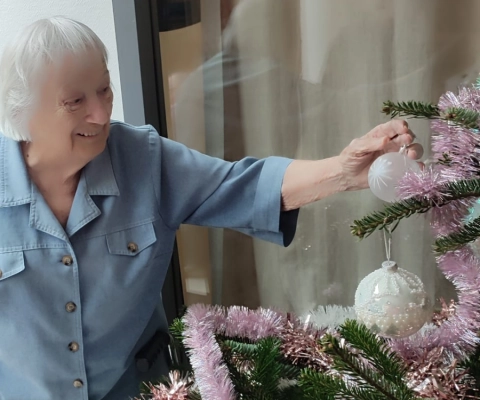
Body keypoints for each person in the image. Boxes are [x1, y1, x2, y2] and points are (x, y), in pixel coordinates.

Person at [0, 17, 422, 400]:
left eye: (105, 88)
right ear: (22, 112)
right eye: (75, 101)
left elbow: (244, 185)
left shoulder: (142, 159)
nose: (100, 111)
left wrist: (345, 172)